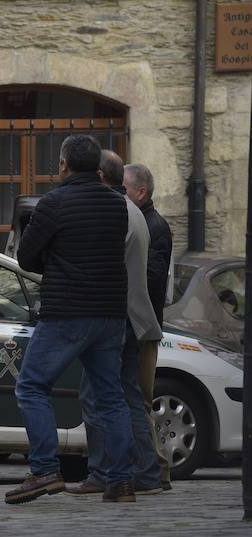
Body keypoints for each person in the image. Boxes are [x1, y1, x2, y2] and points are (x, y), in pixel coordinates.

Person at [6, 135, 134, 504]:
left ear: (63, 165)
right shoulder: (118, 205)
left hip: (67, 311)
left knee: (31, 386)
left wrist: (56, 259)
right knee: (112, 398)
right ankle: (122, 481)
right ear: (98, 168)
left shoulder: (53, 203)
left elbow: (27, 259)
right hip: (110, 313)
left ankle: (45, 469)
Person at [67, 150, 164, 497]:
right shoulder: (133, 211)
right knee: (127, 396)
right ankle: (147, 473)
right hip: (132, 316)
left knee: (97, 397)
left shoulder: (111, 212)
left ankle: (102, 472)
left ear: (97, 175)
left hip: (114, 316)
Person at [125, 162, 174, 490]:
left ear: (140, 192)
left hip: (143, 325)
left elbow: (153, 279)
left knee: (140, 398)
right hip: (140, 323)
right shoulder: (145, 220)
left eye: (125, 189)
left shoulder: (153, 225)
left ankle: (157, 469)